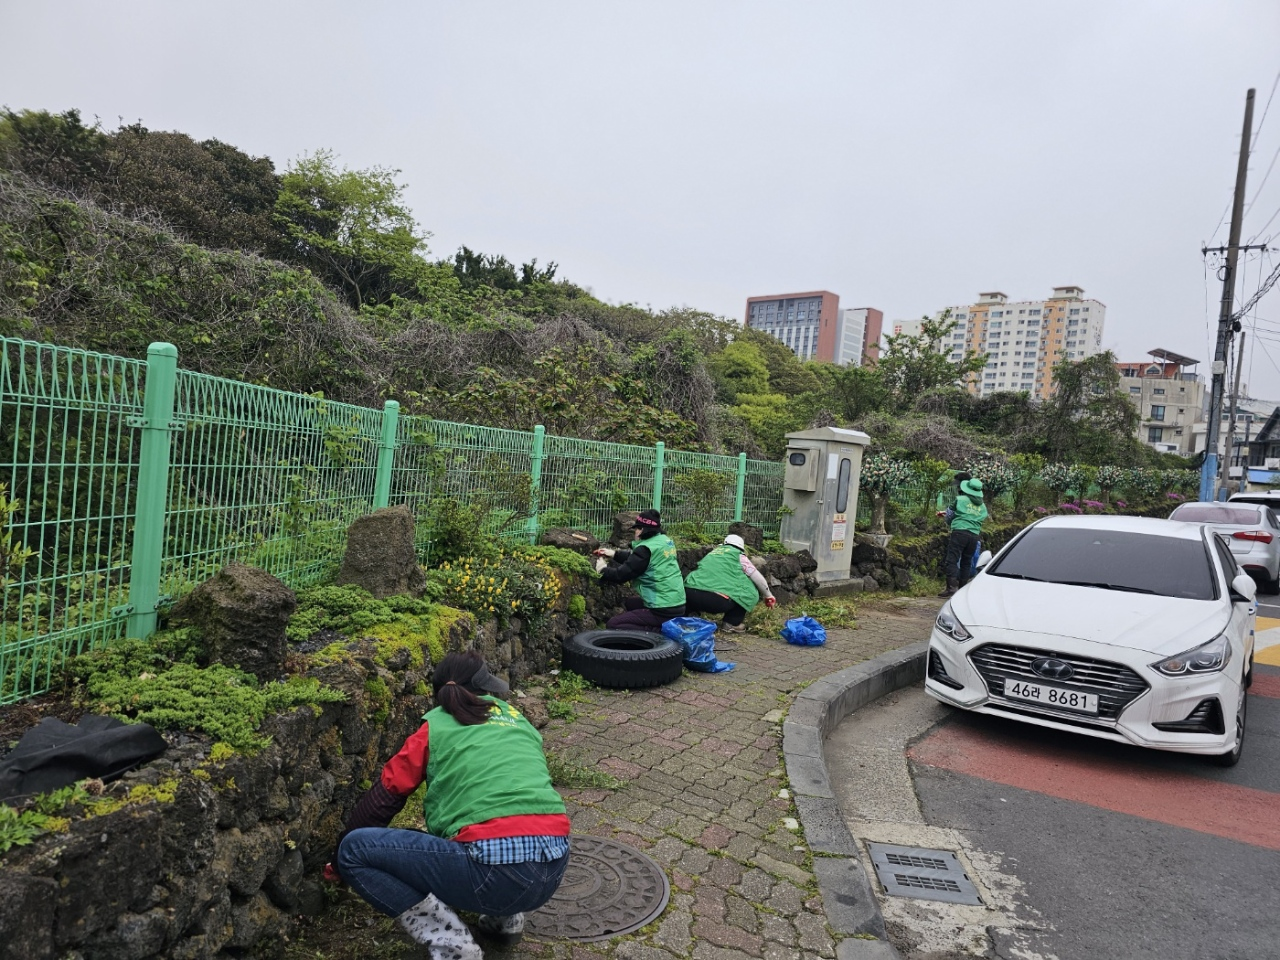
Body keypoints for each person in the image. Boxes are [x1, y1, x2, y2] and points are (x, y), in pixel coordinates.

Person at [328, 651, 570, 959]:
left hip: (492, 876)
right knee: (505, 824)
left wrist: (337, 863)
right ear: (483, 689)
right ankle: (504, 919)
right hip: (553, 868)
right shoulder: (515, 717)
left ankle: (451, 944)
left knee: (353, 851)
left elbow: (382, 800)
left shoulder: (434, 728)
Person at [593, 509, 686, 630]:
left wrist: (603, 570)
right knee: (630, 603)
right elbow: (638, 560)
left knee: (614, 624)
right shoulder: (664, 541)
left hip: (662, 609)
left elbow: (621, 575)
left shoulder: (645, 550)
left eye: (636, 528)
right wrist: (614, 554)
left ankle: (657, 633)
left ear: (642, 530)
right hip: (677, 604)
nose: (635, 532)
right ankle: (659, 626)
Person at [683, 533, 777, 633]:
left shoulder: (713, 553)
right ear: (741, 548)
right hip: (716, 601)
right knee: (748, 592)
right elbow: (757, 577)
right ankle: (731, 623)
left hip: (689, 594)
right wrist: (768, 595)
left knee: (696, 584)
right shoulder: (739, 556)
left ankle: (691, 616)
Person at [939, 477, 988, 598]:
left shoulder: (960, 499)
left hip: (959, 532)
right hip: (974, 536)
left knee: (952, 559)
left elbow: (949, 515)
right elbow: (981, 519)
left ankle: (951, 588)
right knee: (966, 562)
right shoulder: (983, 506)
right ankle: (962, 590)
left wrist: (951, 523)